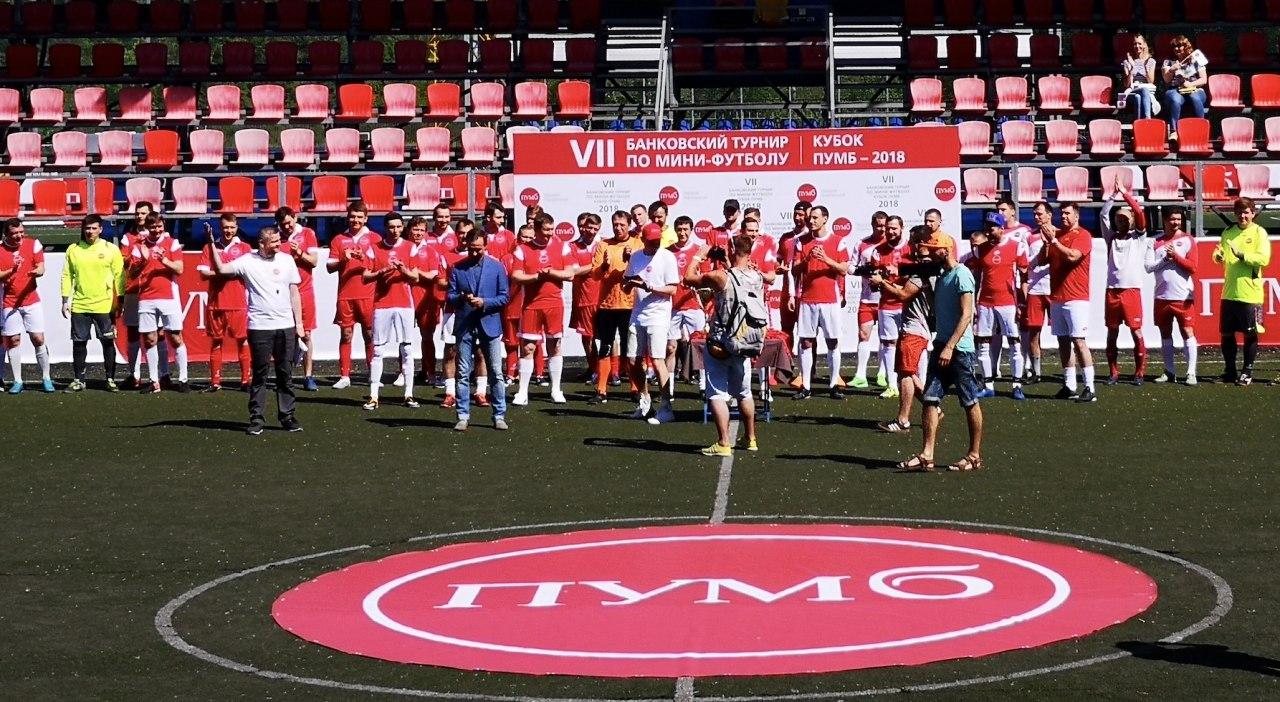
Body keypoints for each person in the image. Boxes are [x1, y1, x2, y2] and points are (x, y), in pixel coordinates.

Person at [896, 231, 983, 473]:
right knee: (930, 400)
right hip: (941, 346)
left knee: (969, 401)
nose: (929, 253)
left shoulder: (961, 274)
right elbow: (938, 307)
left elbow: (967, 314)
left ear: (945, 250)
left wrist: (950, 346)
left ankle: (974, 455)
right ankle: (927, 455)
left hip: (959, 350)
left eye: (933, 250)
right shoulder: (942, 275)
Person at [206, 227, 304, 435]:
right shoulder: (247, 261)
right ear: (262, 243)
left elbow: (294, 292)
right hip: (259, 327)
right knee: (260, 374)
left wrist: (299, 323)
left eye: (279, 240)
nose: (279, 244)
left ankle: (287, 416)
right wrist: (211, 243)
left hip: (285, 325)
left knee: (285, 373)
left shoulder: (287, 260)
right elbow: (221, 269)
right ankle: (257, 418)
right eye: (274, 241)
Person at [683, 233, 762, 456]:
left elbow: (688, 278)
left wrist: (699, 256)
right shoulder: (756, 276)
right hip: (745, 341)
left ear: (732, 249)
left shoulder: (720, 276)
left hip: (720, 342)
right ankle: (751, 438)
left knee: (717, 392)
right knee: (745, 393)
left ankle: (724, 442)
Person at [874, 225, 936, 433]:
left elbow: (903, 295)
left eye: (912, 241)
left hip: (915, 328)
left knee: (906, 373)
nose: (909, 245)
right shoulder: (928, 267)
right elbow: (907, 289)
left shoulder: (923, 270)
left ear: (921, 244)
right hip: (915, 326)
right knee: (906, 372)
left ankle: (903, 420)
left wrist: (882, 282)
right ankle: (934, 408)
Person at [447, 229, 510, 431]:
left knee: (496, 372)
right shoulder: (457, 268)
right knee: (463, 372)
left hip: (489, 322)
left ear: (486, 246)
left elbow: (504, 297)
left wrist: (485, 302)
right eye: (471, 249)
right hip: (465, 325)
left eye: (478, 249)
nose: (474, 253)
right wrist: (461, 298)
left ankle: (499, 415)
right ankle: (462, 415)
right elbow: (450, 296)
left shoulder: (497, 267)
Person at [510, 213, 576, 405]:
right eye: (546, 230)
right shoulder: (523, 249)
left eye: (552, 229)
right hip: (531, 305)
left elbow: (570, 274)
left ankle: (556, 390)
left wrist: (551, 273)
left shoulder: (562, 246)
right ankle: (522, 392)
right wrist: (537, 277)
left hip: (554, 304)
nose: (550, 233)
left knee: (554, 345)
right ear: (537, 230)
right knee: (528, 347)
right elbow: (516, 276)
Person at [361, 213, 424, 410]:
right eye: (391, 227)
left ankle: (408, 394)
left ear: (402, 227)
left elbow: (415, 277)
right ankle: (373, 396)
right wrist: (381, 271)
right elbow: (365, 276)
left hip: (405, 304)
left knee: (407, 349)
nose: (395, 230)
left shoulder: (410, 247)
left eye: (398, 226)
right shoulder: (374, 248)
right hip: (382, 304)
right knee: (378, 350)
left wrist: (403, 270)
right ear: (385, 228)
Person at [1037, 202, 1097, 403]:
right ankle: (1070, 385)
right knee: (1062, 341)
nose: (1063, 216)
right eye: (1061, 213)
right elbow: (1041, 261)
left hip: (1076, 297)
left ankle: (1089, 387)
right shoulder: (1058, 235)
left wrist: (1054, 241)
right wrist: (1047, 243)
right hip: (1057, 296)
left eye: (1067, 213)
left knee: (1078, 341)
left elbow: (1073, 256)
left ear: (1076, 216)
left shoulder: (1083, 235)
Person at [124, 213, 190, 394]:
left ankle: (183, 379)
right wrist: (143, 261)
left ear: (163, 225)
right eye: (153, 227)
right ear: (147, 227)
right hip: (146, 298)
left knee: (175, 337)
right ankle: (154, 381)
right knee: (150, 339)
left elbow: (180, 269)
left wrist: (164, 260)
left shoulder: (172, 243)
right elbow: (131, 273)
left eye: (159, 226)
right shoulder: (139, 246)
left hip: (169, 297)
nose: (156, 230)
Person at [966, 212, 1029, 400]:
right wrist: (974, 303)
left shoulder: (1016, 247)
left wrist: (1022, 302)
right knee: (983, 345)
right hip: (985, 304)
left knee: (1014, 343)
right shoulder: (980, 250)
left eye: (991, 227)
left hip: (1008, 303)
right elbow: (976, 278)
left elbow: (1024, 277)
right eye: (986, 227)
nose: (988, 231)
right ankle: (988, 385)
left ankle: (1017, 385)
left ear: (1001, 228)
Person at [790, 205, 850, 400]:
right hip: (808, 299)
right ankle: (806, 386)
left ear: (825, 219)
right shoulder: (801, 242)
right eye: (810, 218)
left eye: (815, 217)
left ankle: (833, 385)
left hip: (830, 300)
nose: (811, 221)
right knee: (806, 341)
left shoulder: (837, 241)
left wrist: (826, 259)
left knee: (832, 341)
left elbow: (844, 269)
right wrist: (807, 259)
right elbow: (794, 270)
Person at [624, 223, 681, 423]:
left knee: (657, 361)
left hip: (658, 315)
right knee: (632, 360)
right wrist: (629, 284)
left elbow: (672, 289)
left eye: (658, 240)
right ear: (643, 239)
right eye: (651, 241)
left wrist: (648, 286)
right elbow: (626, 283)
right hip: (637, 314)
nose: (655, 243)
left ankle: (666, 408)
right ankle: (644, 400)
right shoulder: (636, 257)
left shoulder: (667, 257)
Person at [60, 215, 123, 392]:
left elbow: (120, 276)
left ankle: (110, 379)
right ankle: (79, 380)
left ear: (100, 229)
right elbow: (67, 275)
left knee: (107, 342)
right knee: (79, 343)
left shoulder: (111, 249)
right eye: (87, 228)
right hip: (80, 305)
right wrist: (65, 299)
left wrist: (121, 299)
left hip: (104, 305)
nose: (90, 231)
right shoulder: (74, 249)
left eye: (94, 228)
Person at [1212, 197, 1271, 385]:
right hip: (1229, 292)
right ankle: (1230, 371)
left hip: (1250, 293)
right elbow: (1218, 252)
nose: (1242, 216)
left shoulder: (1259, 233)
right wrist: (1218, 256)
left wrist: (1242, 255)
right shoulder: (1228, 232)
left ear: (1253, 213)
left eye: (1246, 212)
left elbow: (1264, 259)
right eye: (1239, 212)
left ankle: (1247, 371)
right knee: (1226, 333)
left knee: (1250, 333)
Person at [590, 210, 643, 404]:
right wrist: (604, 267)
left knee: (631, 349)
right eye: (615, 225)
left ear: (629, 225)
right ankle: (601, 390)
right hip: (607, 305)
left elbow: (643, 273)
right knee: (605, 346)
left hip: (630, 305)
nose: (618, 228)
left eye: (622, 225)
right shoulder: (603, 245)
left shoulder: (637, 244)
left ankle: (635, 389)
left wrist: (630, 260)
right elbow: (595, 274)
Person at [1101, 180, 1150, 385]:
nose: (1121, 221)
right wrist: (1113, 196)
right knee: (1112, 331)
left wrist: (1124, 193)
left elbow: (1139, 213)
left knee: (1136, 330)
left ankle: (1139, 372)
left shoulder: (1138, 238)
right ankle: (1113, 371)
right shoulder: (1111, 238)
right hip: (1112, 291)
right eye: (1118, 219)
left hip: (1131, 291)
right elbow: (1103, 215)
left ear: (1130, 221)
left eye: (1125, 219)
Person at [197, 214, 252, 392]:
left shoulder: (244, 248)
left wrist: (220, 271)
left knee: (242, 341)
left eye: (231, 227)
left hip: (238, 302)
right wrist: (227, 272)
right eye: (225, 227)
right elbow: (203, 274)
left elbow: (246, 272)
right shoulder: (209, 247)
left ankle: (245, 381)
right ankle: (215, 382)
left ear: (237, 227)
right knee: (216, 341)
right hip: (216, 302)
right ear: (220, 228)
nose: (228, 231)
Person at [1144, 206, 1198, 385]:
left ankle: (1191, 373)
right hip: (1161, 296)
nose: (1176, 222)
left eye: (1178, 219)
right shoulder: (1154, 241)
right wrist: (1165, 260)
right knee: (1165, 334)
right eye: (1172, 219)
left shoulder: (1188, 240)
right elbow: (1148, 267)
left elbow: (1193, 267)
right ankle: (1169, 371)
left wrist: (1175, 256)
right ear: (1165, 220)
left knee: (1187, 332)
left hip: (1183, 297)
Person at [325, 200, 375, 389]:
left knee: (369, 335)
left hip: (368, 295)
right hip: (345, 295)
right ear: (348, 217)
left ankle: (373, 374)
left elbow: (380, 265)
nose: (356, 220)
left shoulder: (375, 238)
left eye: (359, 217)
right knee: (346, 335)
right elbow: (329, 267)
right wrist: (343, 260)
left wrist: (365, 258)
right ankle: (345, 376)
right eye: (352, 216)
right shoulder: (338, 239)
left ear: (366, 218)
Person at [119, 201, 169, 388]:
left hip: (156, 291)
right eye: (137, 213)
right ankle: (135, 375)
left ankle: (163, 374)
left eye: (143, 213)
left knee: (160, 333)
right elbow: (124, 263)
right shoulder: (128, 238)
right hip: (134, 291)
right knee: (133, 332)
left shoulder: (163, 237)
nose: (139, 216)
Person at [0, 220, 52, 392]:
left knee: (38, 338)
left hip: (31, 301)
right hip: (9, 302)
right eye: (15, 233)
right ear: (6, 234)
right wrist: (12, 271)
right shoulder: (0, 250)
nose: (19, 235)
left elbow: (41, 267)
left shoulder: (33, 244)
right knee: (13, 340)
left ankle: (46, 377)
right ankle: (18, 381)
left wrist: (38, 272)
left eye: (21, 232)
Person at [276, 207, 321, 391]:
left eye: (289, 222)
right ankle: (285, 378)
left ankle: (308, 376)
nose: (287, 227)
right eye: (283, 224)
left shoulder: (307, 233)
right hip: (283, 294)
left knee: (307, 334)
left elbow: (314, 261)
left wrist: (299, 252)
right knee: (284, 337)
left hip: (305, 292)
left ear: (295, 218)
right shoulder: (276, 238)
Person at [847, 211, 888, 389]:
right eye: (878, 225)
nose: (882, 229)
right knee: (863, 335)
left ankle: (882, 374)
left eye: (884, 225)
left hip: (887, 300)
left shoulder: (891, 245)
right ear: (872, 225)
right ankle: (860, 375)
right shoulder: (862, 243)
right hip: (867, 299)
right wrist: (864, 270)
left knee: (886, 338)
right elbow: (850, 268)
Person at [870, 215, 909, 399]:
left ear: (902, 228)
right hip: (886, 304)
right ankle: (892, 385)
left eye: (894, 228)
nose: (890, 232)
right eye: (888, 228)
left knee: (910, 342)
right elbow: (873, 282)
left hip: (908, 304)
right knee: (888, 343)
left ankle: (917, 381)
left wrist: (898, 272)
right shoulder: (878, 251)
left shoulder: (911, 248)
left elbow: (918, 277)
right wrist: (877, 279)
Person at [1019, 201, 1055, 383]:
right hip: (1035, 290)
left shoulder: (1059, 234)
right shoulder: (1029, 236)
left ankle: (1069, 374)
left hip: (1055, 290)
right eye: (1034, 214)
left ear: (1049, 215)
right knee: (1034, 332)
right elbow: (1026, 265)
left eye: (1039, 214)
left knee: (1065, 334)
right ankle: (1036, 372)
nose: (1036, 217)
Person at [569, 212, 603, 381]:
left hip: (604, 298)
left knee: (609, 337)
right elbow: (573, 271)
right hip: (584, 298)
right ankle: (594, 369)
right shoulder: (573, 246)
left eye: (592, 227)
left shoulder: (604, 244)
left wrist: (587, 269)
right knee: (587, 337)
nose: (588, 230)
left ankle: (612, 372)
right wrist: (596, 266)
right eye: (583, 226)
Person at [1161, 34, 1208, 138]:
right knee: (1175, 99)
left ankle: (1201, 130)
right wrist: (1171, 70)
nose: (1176, 49)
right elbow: (1167, 80)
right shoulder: (1168, 62)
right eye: (1174, 47)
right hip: (1175, 89)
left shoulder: (1196, 59)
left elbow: (1204, 79)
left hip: (1195, 89)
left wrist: (1190, 84)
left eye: (1179, 46)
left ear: (1186, 46)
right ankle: (1173, 132)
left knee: (1194, 97)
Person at [776, 201, 811, 343]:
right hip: (787, 291)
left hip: (806, 291)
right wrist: (778, 267)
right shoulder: (786, 237)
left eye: (801, 215)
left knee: (808, 333)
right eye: (795, 214)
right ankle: (787, 357)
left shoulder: (811, 237)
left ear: (808, 215)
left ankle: (811, 359)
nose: (797, 218)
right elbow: (777, 260)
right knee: (786, 329)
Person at [1121, 34, 1159, 119]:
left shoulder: (1151, 61)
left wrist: (1145, 67)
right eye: (1135, 44)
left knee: (1138, 97)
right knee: (1141, 92)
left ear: (1144, 45)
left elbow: (1150, 81)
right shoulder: (1127, 61)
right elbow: (1127, 84)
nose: (1137, 46)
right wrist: (1132, 68)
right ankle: (1148, 119)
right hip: (1132, 90)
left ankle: (1138, 123)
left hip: (1146, 91)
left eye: (1139, 43)